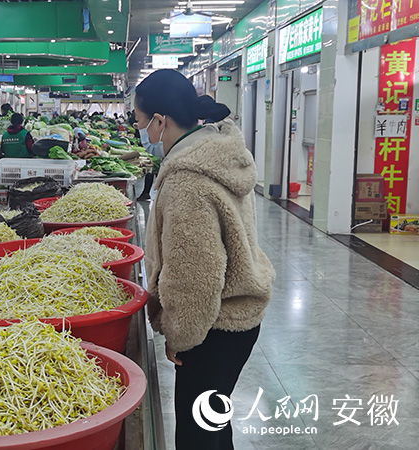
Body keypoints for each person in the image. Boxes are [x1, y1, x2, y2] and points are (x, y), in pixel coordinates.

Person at [138, 69, 275, 450]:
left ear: (160, 121)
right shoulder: (218, 154)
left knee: (198, 438)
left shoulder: (187, 180)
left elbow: (194, 274)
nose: (140, 131)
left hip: (215, 325)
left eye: (139, 121)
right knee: (212, 427)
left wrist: (180, 334)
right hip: (236, 314)